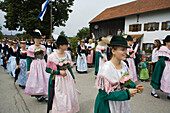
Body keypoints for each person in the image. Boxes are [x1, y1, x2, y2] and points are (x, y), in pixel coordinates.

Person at [94, 35, 144, 113]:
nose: (125, 52)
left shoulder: (123, 64)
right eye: (122, 49)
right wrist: (126, 94)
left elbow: (125, 80)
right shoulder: (106, 68)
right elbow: (104, 95)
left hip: (121, 102)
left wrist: (135, 87)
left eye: (126, 49)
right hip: (108, 106)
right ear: (113, 51)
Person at [46, 35, 79, 113]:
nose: (67, 46)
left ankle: (68, 110)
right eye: (66, 44)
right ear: (60, 46)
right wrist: (58, 72)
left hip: (67, 78)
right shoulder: (52, 56)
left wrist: (73, 77)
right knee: (60, 96)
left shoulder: (67, 55)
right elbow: (47, 69)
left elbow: (69, 67)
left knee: (69, 94)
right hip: (58, 79)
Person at [24, 31, 49, 102]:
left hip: (42, 63)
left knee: (45, 78)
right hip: (35, 64)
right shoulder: (31, 48)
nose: (38, 40)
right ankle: (38, 95)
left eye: (39, 38)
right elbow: (28, 59)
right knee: (37, 79)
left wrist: (48, 65)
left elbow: (46, 57)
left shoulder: (43, 47)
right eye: (37, 38)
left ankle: (45, 94)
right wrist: (28, 69)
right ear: (34, 39)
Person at [150, 35, 170, 99]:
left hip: (168, 65)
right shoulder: (163, 48)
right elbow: (161, 58)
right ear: (166, 42)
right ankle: (153, 91)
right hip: (162, 65)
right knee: (158, 77)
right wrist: (165, 66)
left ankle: (169, 93)